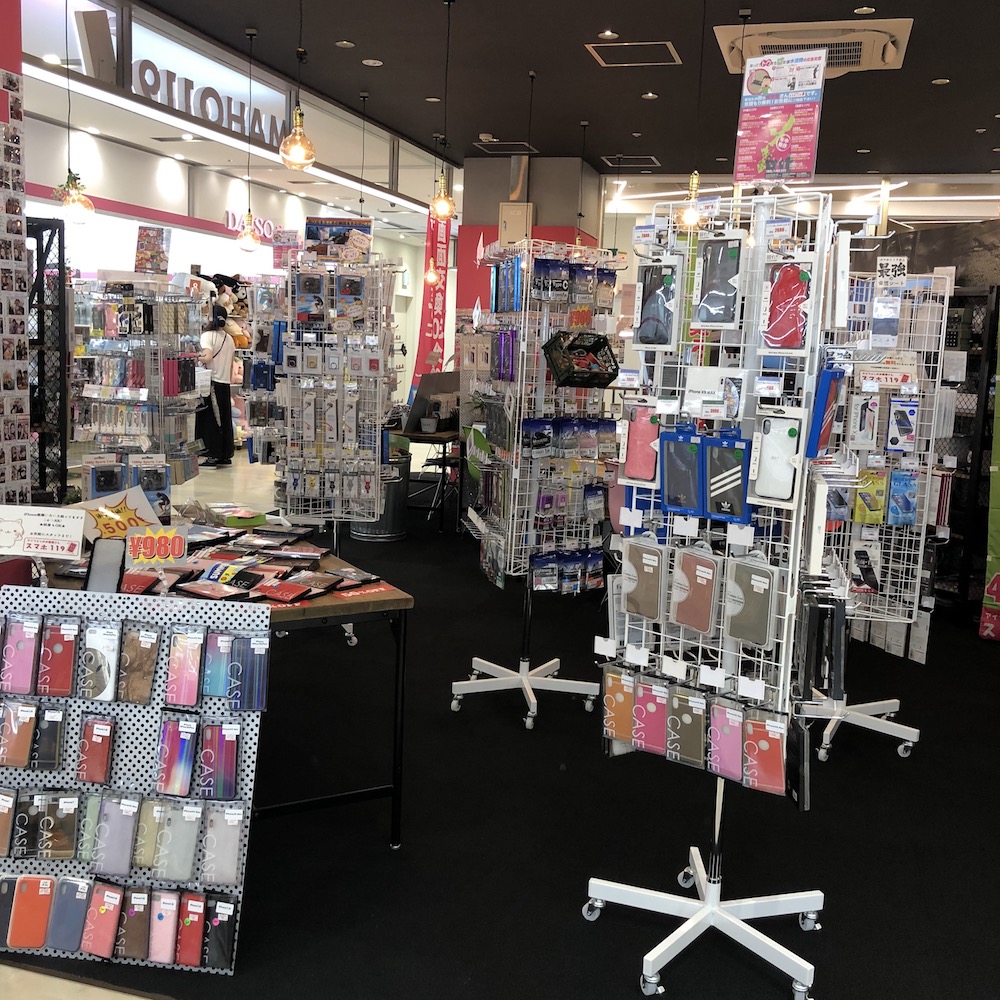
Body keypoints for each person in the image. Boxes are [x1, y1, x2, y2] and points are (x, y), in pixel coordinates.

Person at [197, 306, 235, 467]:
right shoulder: (229, 338)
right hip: (225, 382)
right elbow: (231, 363)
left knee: (211, 420)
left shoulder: (207, 336)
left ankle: (213, 453)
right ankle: (225, 453)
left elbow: (207, 357)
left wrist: (194, 355)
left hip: (212, 382)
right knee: (225, 419)